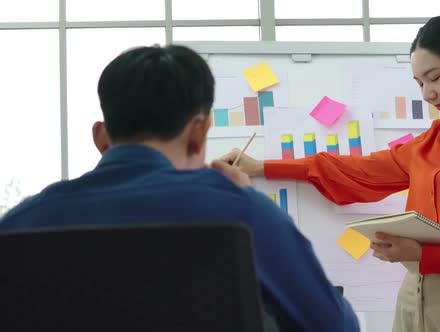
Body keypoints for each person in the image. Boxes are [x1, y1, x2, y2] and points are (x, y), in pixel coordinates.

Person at [222, 13, 440, 332]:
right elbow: (353, 172)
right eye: (420, 83)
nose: (427, 94)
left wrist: (426, 254)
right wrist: (260, 167)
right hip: (410, 303)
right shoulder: (432, 143)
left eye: (434, 78)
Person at [0, 45, 360, 332]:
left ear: (100, 137)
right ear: (199, 132)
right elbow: (335, 326)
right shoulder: (242, 213)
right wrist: (245, 197)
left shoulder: (21, 222)